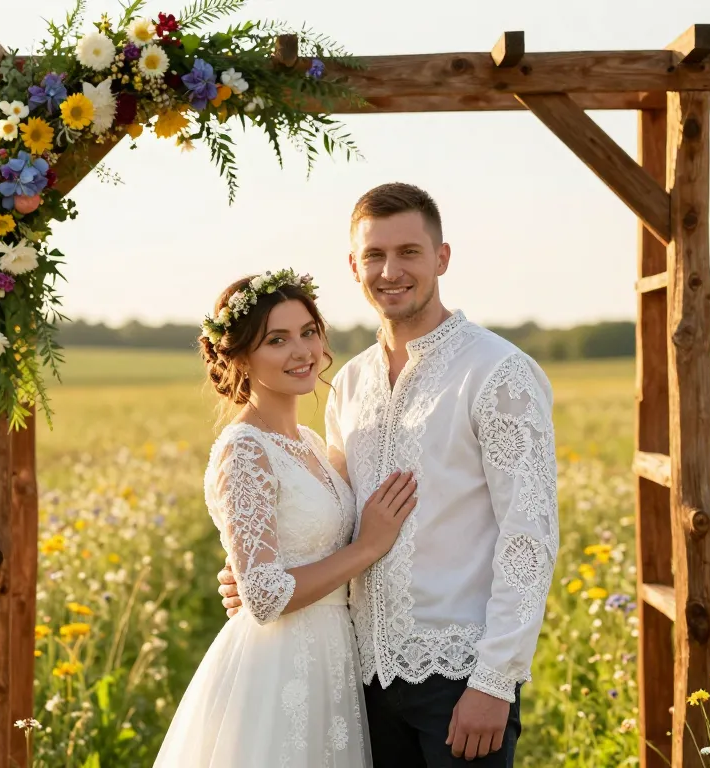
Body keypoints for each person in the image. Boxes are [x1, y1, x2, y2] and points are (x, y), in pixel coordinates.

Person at [218, 183, 559, 766]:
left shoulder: (498, 372)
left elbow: (529, 538)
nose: (390, 270)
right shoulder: (349, 383)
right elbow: (334, 517)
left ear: (441, 258)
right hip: (356, 679)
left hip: (459, 681)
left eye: (409, 252)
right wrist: (255, 576)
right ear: (354, 266)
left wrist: (495, 682)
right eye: (374, 255)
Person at [153, 268, 420, 768]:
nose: (302, 352)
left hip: (331, 657)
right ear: (239, 358)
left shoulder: (313, 445)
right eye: (277, 339)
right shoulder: (244, 450)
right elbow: (265, 596)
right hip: (277, 667)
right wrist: (367, 548)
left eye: (309, 332)